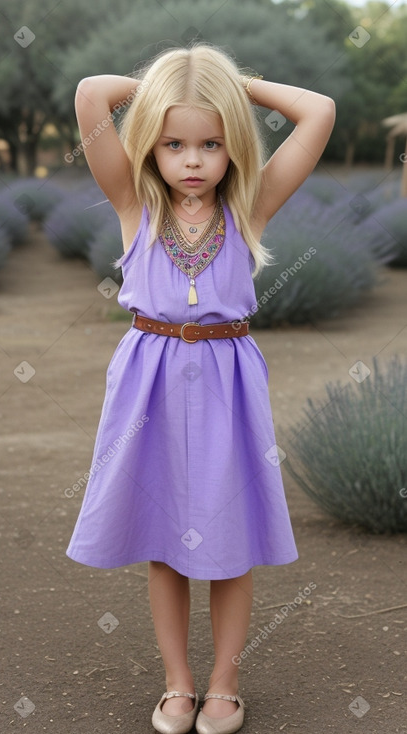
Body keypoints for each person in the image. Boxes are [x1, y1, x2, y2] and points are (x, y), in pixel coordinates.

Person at [66, 43, 335, 734]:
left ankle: (224, 682)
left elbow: (318, 111)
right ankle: (177, 683)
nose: (192, 160)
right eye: (174, 142)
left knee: (229, 540)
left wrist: (226, 82)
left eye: (211, 143)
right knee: (163, 542)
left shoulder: (250, 206)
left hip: (225, 384)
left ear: (233, 146)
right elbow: (93, 94)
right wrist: (169, 81)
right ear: (150, 144)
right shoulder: (133, 203)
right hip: (147, 384)